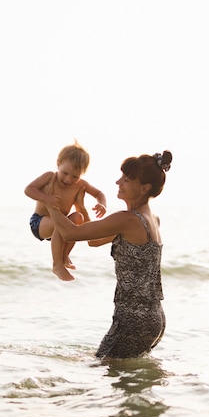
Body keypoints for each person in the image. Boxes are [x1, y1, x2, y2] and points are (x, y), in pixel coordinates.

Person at [46, 150, 173, 361]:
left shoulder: (128, 219)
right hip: (154, 318)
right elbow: (93, 240)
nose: (118, 182)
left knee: (104, 371)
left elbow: (70, 233)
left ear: (145, 188)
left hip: (131, 319)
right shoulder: (151, 219)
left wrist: (51, 205)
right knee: (121, 377)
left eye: (126, 179)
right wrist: (81, 209)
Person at [25, 140, 107, 281]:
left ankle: (64, 256)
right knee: (61, 223)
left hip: (61, 226)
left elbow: (99, 194)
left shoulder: (80, 185)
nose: (68, 179)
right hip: (40, 222)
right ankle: (57, 265)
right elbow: (29, 190)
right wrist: (46, 198)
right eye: (65, 173)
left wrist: (102, 204)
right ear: (58, 164)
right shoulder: (49, 177)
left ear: (82, 174)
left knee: (77, 218)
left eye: (75, 176)